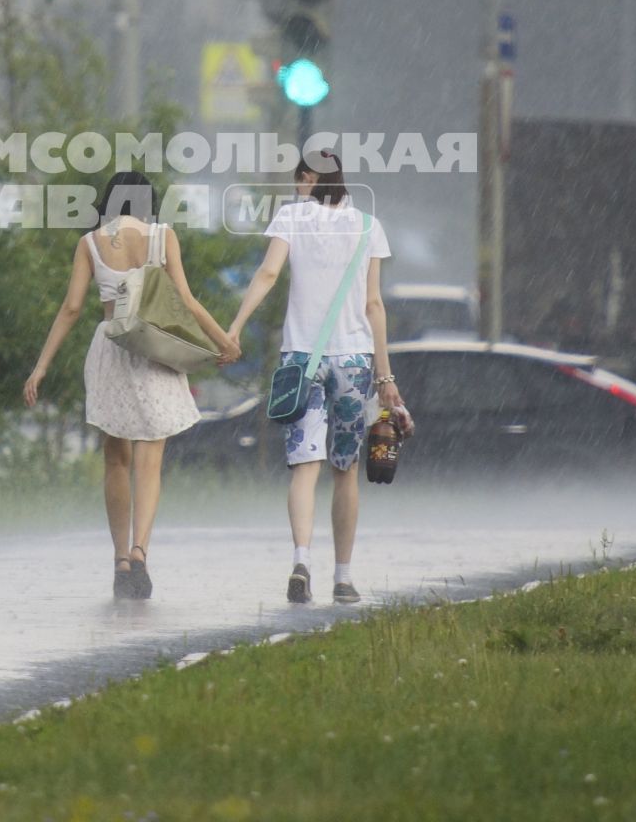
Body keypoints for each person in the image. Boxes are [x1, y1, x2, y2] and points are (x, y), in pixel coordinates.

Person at [23, 171, 241, 599]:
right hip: (155, 349)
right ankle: (141, 549)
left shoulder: (90, 242)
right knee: (150, 458)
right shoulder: (162, 236)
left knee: (115, 458)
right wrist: (224, 342)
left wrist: (40, 367)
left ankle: (120, 558)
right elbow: (186, 299)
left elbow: (70, 309)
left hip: (111, 348)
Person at [225, 150, 411, 606]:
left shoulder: (291, 218)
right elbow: (374, 306)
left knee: (304, 468)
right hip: (353, 362)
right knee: (344, 470)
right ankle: (343, 578)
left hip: (302, 360)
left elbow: (268, 274)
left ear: (308, 178)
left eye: (298, 181)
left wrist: (234, 325)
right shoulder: (368, 227)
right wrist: (385, 376)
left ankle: (301, 561)